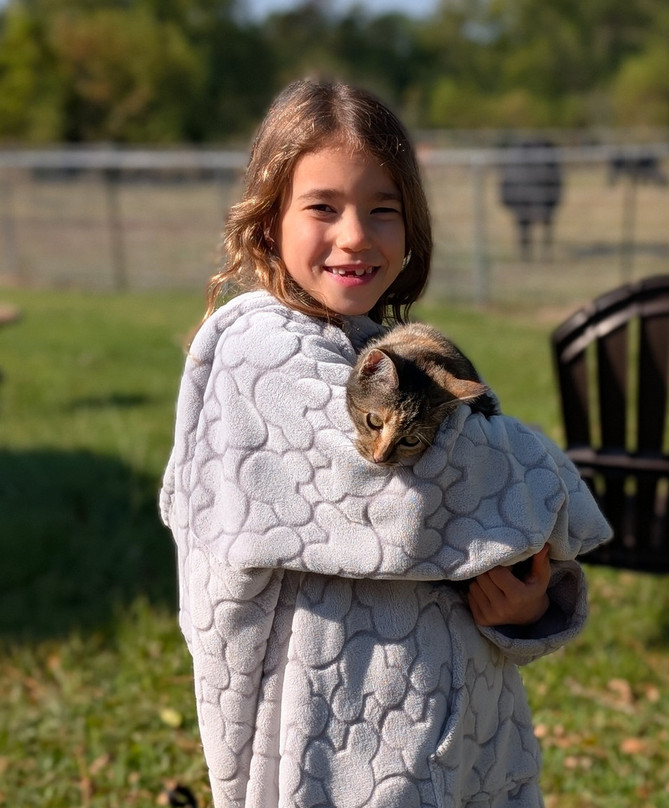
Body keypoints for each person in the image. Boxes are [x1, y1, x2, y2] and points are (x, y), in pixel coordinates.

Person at [160, 78, 612, 808]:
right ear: (269, 219)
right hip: (345, 744)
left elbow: (479, 493)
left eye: (383, 209)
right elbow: (411, 496)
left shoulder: (384, 350)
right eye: (322, 207)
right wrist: (554, 486)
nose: (355, 235)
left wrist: (527, 603)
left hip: (459, 738)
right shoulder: (261, 350)